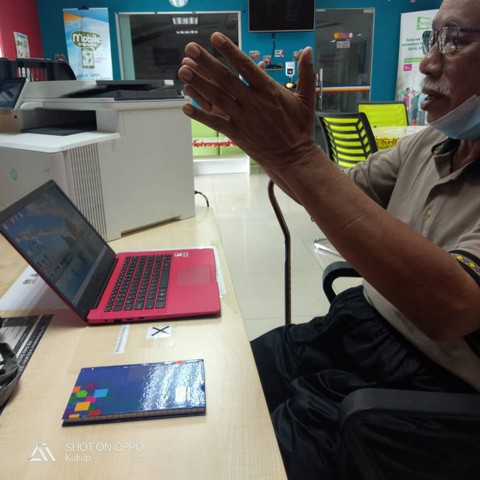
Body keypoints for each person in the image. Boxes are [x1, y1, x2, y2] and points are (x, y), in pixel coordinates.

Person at [178, 0, 480, 478]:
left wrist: (297, 155)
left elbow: (451, 307)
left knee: (245, 460)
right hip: (360, 325)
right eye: (432, 39)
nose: (427, 63)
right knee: (217, 384)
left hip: (429, 384)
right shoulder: (432, 142)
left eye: (454, 40)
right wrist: (269, 147)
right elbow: (340, 193)